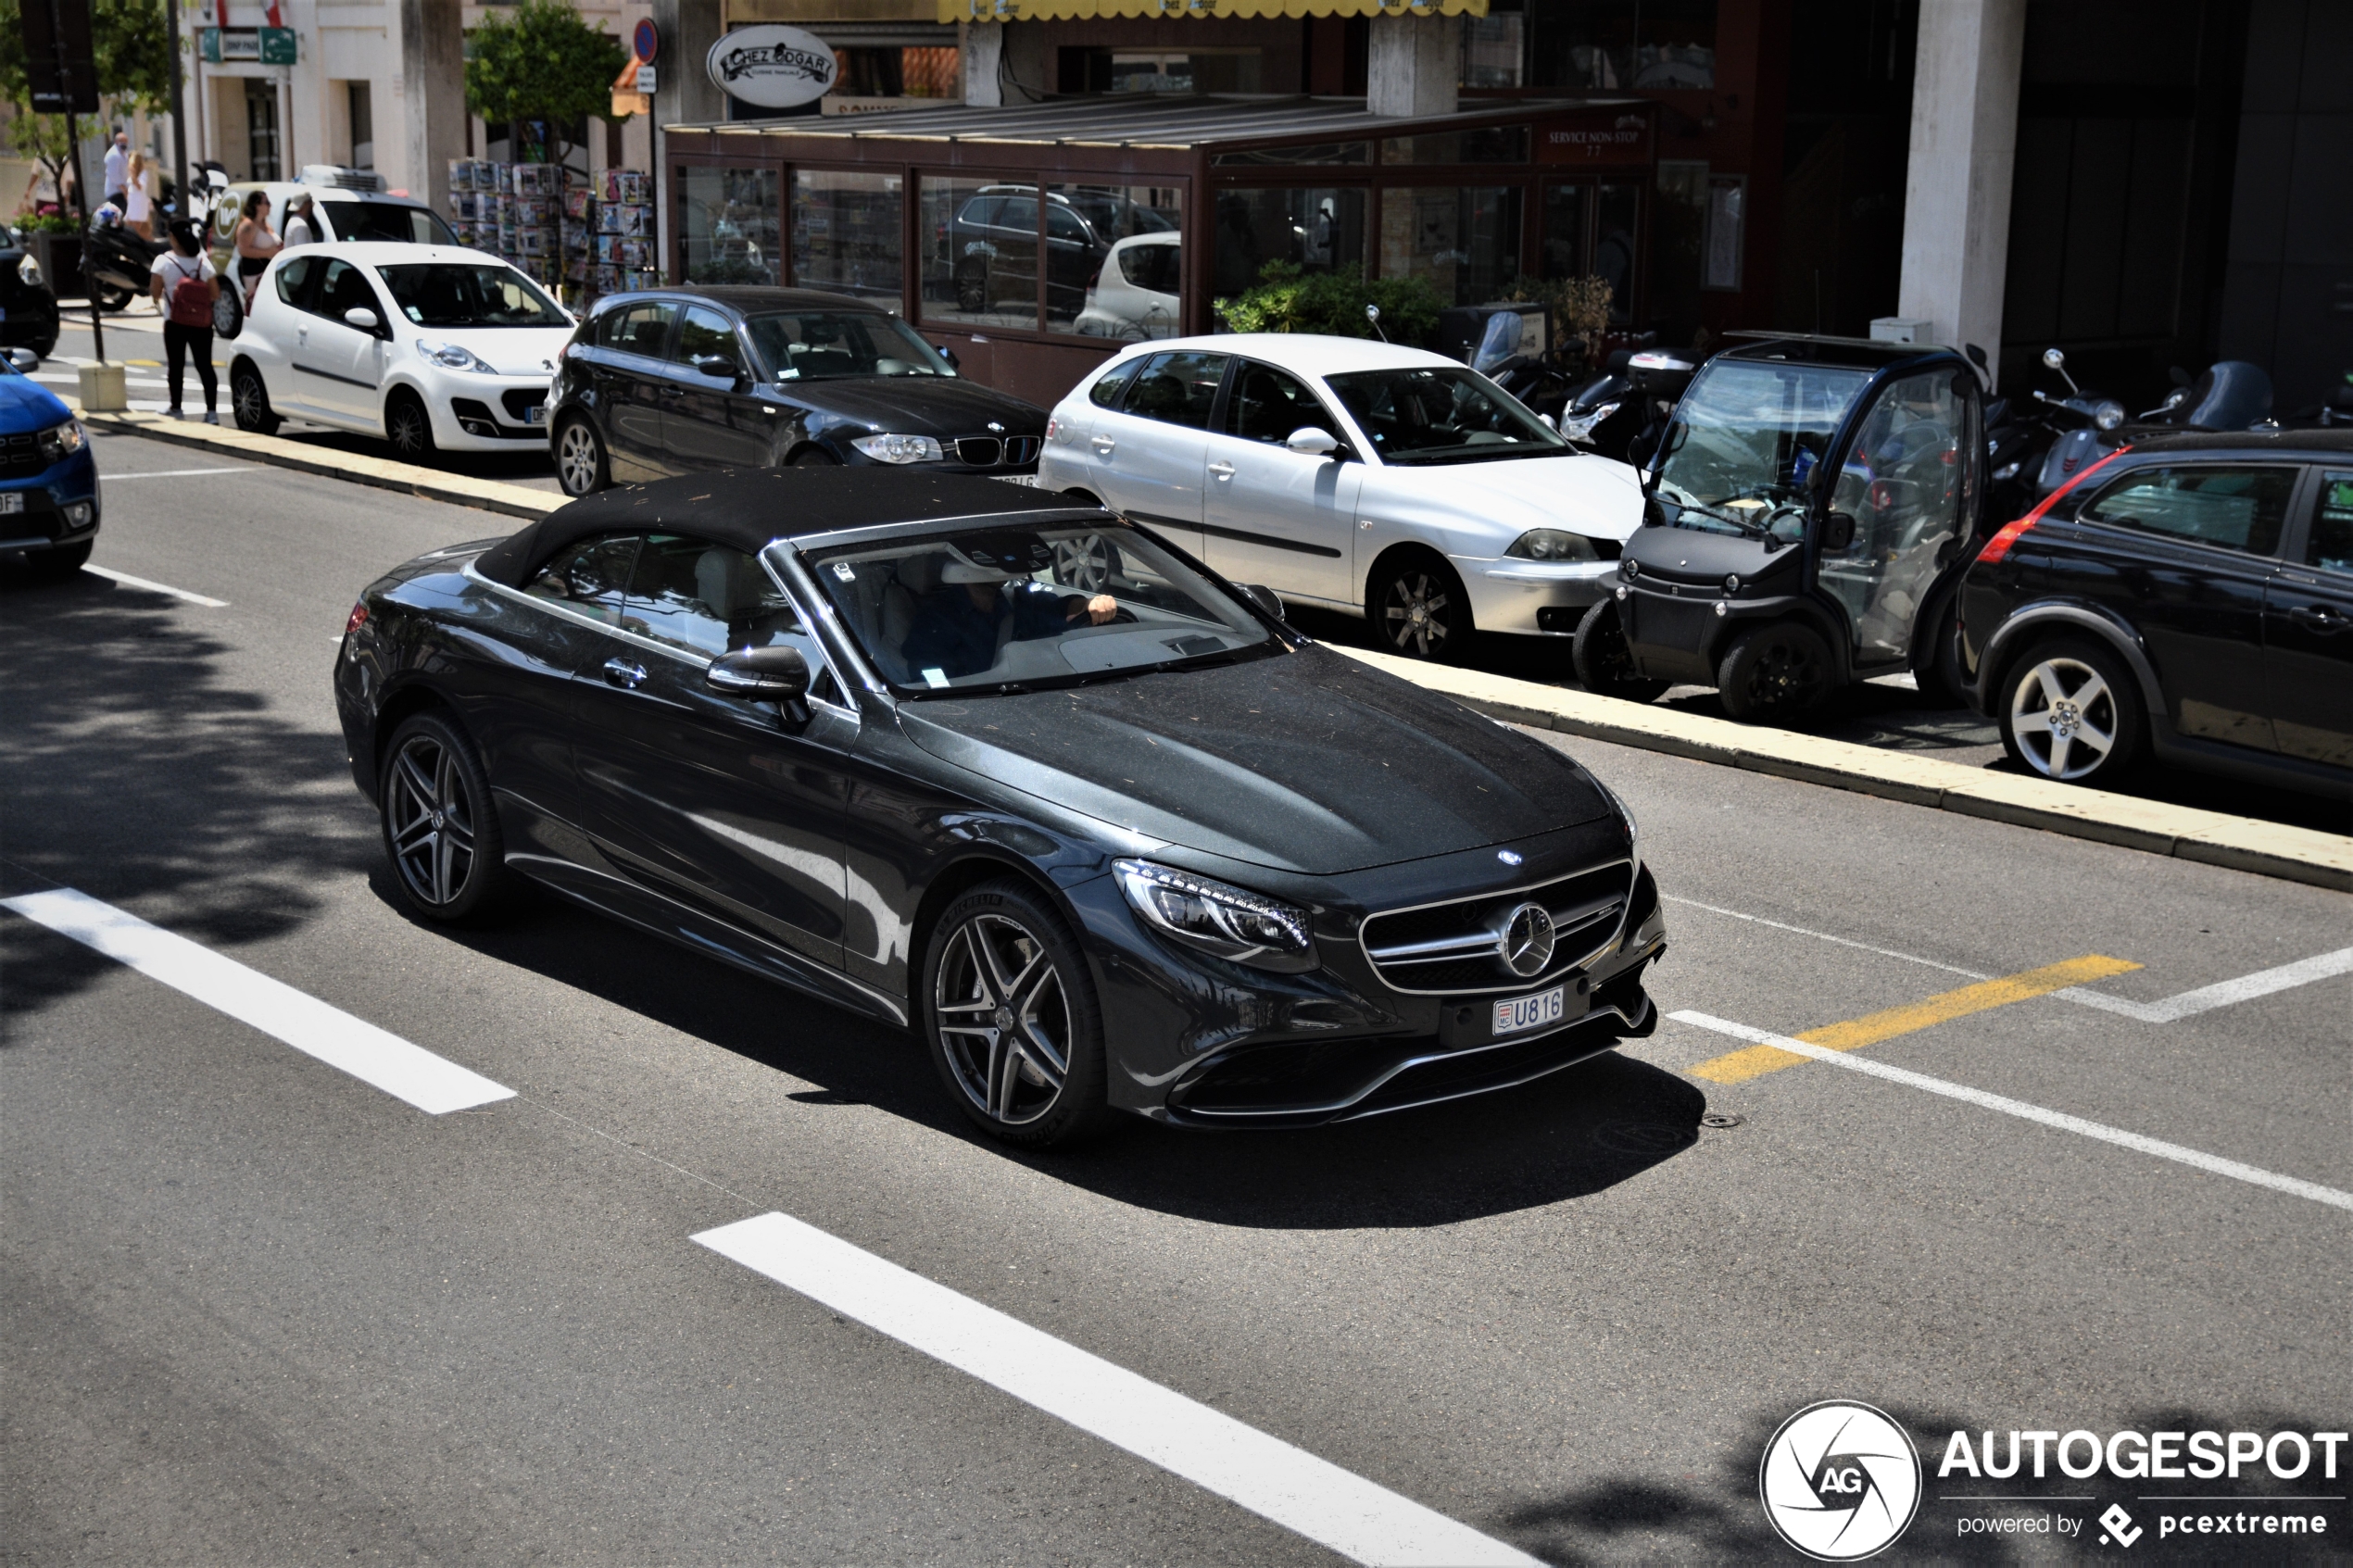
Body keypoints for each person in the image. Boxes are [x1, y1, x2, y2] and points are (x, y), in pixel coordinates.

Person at [900, 554, 1116, 680]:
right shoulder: (936, 618)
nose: (1005, 564)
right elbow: (930, 678)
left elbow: (1063, 608)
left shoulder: (1020, 603)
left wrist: (1091, 605)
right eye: (989, 557)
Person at [149, 220, 220, 423]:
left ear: (172, 237)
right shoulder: (203, 262)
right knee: (205, 365)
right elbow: (215, 294)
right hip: (202, 323)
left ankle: (177, 408)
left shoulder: (162, 261)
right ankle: (212, 412)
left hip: (175, 321)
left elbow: (154, 292)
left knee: (176, 365)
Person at [233, 189, 278, 307]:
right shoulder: (248, 225)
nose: (270, 205)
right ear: (257, 205)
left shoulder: (266, 225)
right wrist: (270, 251)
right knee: (257, 305)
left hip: (268, 270)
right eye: (266, 202)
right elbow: (243, 250)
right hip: (254, 272)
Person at [123, 150, 155, 238]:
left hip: (138, 202)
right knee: (129, 224)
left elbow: (139, 187)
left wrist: (133, 176)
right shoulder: (131, 174)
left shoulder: (143, 174)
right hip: (132, 202)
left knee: (136, 225)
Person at [102, 132, 129, 207]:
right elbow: (114, 175)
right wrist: (124, 190)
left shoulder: (124, 154)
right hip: (115, 193)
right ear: (116, 142)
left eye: (125, 142)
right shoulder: (113, 155)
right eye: (122, 141)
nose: (124, 144)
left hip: (122, 192)